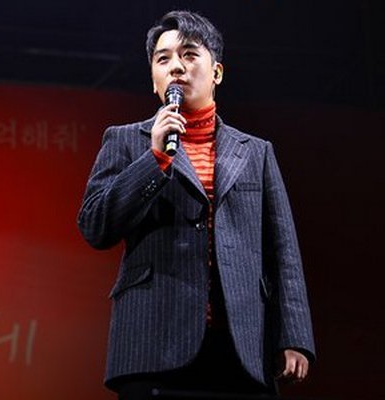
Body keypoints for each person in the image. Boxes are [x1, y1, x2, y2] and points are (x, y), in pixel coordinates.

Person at [77, 10, 315, 399]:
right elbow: (95, 225)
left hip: (241, 345)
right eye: (164, 59)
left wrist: (294, 336)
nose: (176, 67)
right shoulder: (124, 141)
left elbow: (282, 251)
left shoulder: (255, 152)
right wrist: (154, 159)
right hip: (151, 342)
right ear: (154, 79)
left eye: (189, 54)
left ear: (216, 72)